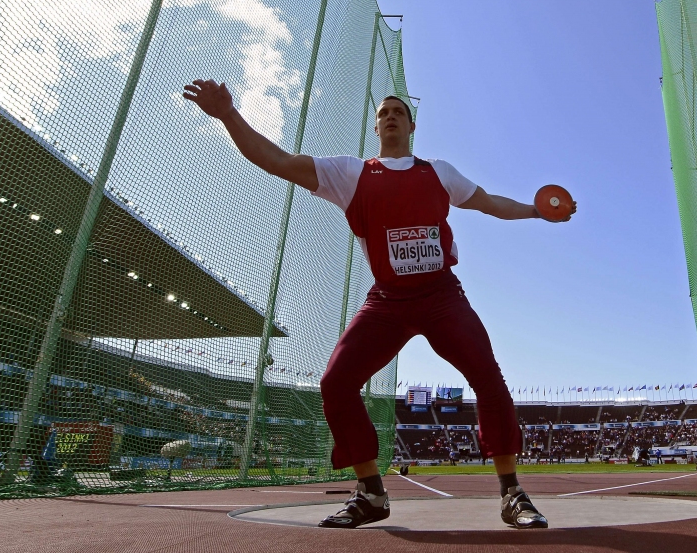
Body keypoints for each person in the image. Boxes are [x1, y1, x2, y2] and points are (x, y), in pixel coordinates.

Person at [183, 81, 575, 529]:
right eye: (384, 112)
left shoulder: (438, 172)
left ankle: (512, 493)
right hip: (387, 302)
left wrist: (536, 210)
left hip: (442, 296)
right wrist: (229, 115)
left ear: (411, 125)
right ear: (376, 127)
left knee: (488, 377)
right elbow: (277, 162)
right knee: (336, 383)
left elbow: (489, 204)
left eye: (398, 112)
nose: (390, 116)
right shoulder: (352, 174)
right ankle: (370, 493)